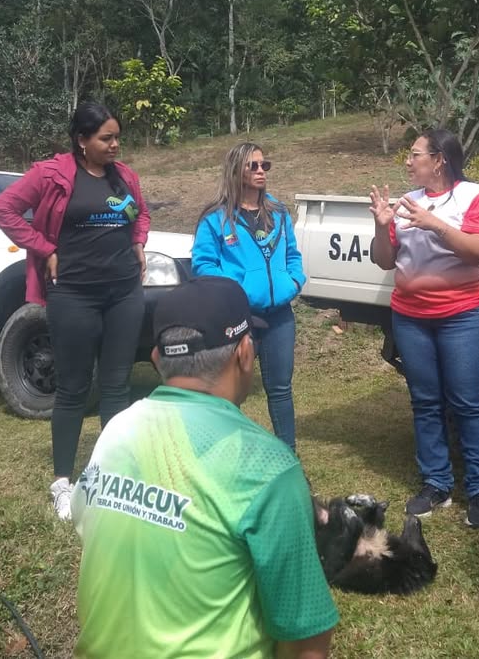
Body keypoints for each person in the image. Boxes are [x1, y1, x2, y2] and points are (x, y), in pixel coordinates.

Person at [71, 276, 338, 659]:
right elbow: (306, 642)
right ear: (245, 353)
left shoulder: (117, 431)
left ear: (158, 360)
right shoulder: (267, 466)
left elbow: (85, 520)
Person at [0, 102, 149, 521]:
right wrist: (44, 248)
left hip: (124, 293)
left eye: (117, 137)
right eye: (106, 138)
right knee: (75, 388)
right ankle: (63, 481)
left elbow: (141, 212)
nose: (115, 145)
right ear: (82, 140)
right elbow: (3, 210)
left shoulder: (124, 176)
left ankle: (112, 476)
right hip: (74, 294)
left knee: (117, 386)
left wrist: (138, 241)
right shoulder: (51, 174)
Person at [368, 128, 479, 529]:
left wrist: (434, 223)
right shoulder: (406, 204)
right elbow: (384, 262)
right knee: (425, 402)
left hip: (461, 314)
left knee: (467, 402)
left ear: (439, 159)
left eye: (415, 155)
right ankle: (437, 484)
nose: (408, 162)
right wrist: (381, 226)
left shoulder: (473, 196)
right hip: (411, 317)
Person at [191, 143, 306, 451]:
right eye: (252, 166)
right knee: (231, 393)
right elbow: (203, 265)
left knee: (280, 389)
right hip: (237, 317)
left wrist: (293, 281)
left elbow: (293, 255)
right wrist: (238, 288)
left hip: (279, 315)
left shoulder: (278, 213)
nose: (260, 171)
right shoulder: (215, 219)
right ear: (236, 171)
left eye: (263, 165)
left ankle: (288, 458)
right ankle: (232, 457)